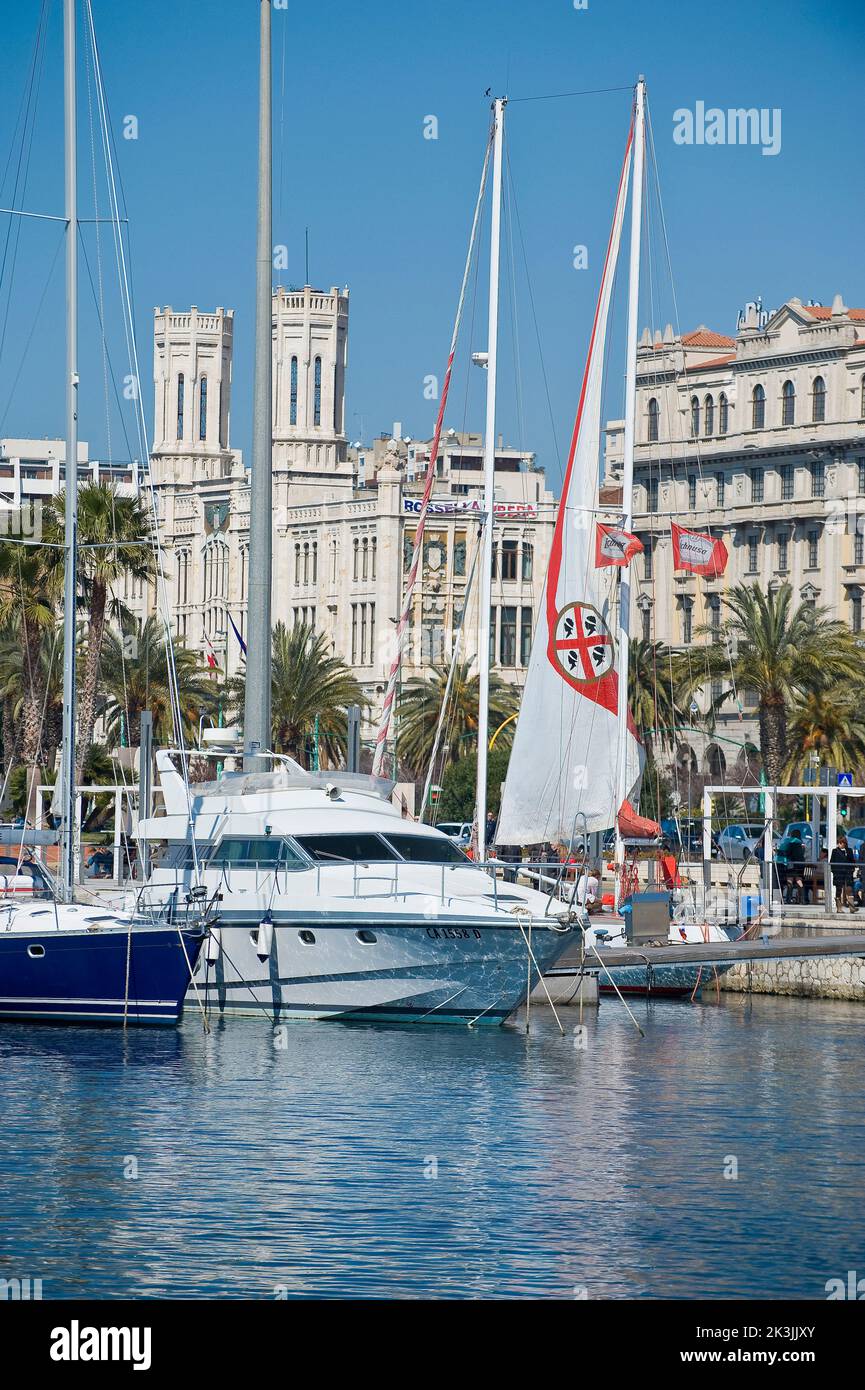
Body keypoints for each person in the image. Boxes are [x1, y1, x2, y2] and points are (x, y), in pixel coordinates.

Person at [830, 834, 857, 911]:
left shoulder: (849, 850)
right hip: (838, 873)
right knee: (838, 889)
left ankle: (852, 908)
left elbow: (852, 861)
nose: (839, 845)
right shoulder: (835, 851)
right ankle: (839, 908)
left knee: (849, 888)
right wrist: (834, 871)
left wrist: (851, 870)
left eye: (841, 843)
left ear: (844, 843)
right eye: (838, 843)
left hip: (848, 873)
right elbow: (832, 862)